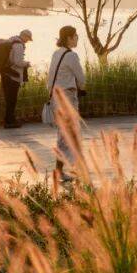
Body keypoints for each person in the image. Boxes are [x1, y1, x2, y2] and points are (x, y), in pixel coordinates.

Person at [47, 25, 87, 180]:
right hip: (67, 98)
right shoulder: (71, 56)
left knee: (64, 133)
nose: (77, 38)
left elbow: (50, 78)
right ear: (69, 38)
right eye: (76, 36)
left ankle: (70, 169)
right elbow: (81, 79)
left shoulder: (56, 53)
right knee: (70, 134)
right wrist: (81, 88)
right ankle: (68, 170)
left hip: (56, 98)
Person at [0, 29, 32, 128]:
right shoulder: (19, 45)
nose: (27, 41)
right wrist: (26, 64)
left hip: (5, 73)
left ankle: (9, 120)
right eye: (28, 38)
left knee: (8, 99)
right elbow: (17, 61)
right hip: (13, 75)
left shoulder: (11, 41)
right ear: (24, 36)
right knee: (12, 99)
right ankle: (10, 122)